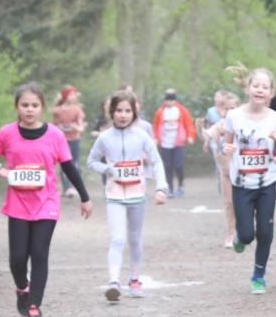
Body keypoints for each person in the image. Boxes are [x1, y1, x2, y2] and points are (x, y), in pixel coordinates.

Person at [0, 83, 92, 317]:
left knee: (39, 253)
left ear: (42, 107)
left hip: (46, 202)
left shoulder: (55, 134)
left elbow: (68, 167)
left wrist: (84, 197)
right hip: (18, 204)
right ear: (17, 107)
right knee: (18, 258)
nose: (29, 109)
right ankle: (22, 287)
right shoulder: (7, 133)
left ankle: (34, 306)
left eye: (34, 105)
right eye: (25, 105)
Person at [87, 91, 168, 300]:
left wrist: (161, 187)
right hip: (114, 195)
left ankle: (134, 279)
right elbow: (91, 161)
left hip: (137, 195)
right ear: (111, 112)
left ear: (134, 113)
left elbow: (157, 162)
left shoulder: (141, 136)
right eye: (119, 111)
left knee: (134, 238)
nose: (123, 115)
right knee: (117, 238)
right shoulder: (105, 138)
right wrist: (108, 169)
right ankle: (114, 281)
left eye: (127, 111)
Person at [221, 65, 276, 294]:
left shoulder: (275, 119)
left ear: (271, 92)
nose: (260, 90)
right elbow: (226, 144)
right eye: (256, 85)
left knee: (265, 232)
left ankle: (258, 275)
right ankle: (240, 238)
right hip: (241, 184)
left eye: (265, 87)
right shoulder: (234, 116)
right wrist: (225, 148)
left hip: (266, 184)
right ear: (247, 88)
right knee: (247, 234)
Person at [204, 92, 240, 247]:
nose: (230, 111)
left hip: (243, 172)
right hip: (226, 171)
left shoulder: (244, 124)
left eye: (234, 108)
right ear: (223, 110)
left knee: (244, 203)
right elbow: (206, 136)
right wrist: (199, 127)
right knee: (229, 203)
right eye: (227, 108)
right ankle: (230, 234)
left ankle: (243, 229)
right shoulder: (220, 125)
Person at [152, 88, 196, 197]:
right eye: (167, 100)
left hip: (178, 142)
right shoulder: (160, 112)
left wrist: (190, 136)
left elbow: (188, 124)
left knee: (178, 165)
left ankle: (181, 183)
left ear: (175, 100)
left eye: (171, 100)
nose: (169, 102)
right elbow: (155, 126)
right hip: (165, 142)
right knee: (167, 166)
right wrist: (155, 138)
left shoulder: (182, 111)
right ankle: (170, 189)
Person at [51, 85, 86, 198]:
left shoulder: (77, 110)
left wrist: (75, 127)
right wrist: (59, 128)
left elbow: (81, 127)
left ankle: (75, 186)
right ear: (65, 96)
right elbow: (53, 125)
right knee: (64, 163)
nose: (73, 96)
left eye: (74, 94)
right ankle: (67, 188)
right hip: (62, 141)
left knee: (75, 163)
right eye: (71, 94)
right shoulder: (57, 110)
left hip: (74, 139)